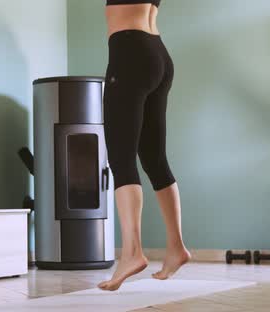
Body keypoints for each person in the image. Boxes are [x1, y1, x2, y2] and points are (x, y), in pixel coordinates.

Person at [98, 0, 191, 291]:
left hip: (130, 52)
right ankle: (176, 247)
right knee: (154, 158)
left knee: (121, 159)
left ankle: (131, 252)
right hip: (157, 53)